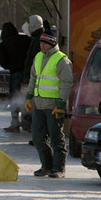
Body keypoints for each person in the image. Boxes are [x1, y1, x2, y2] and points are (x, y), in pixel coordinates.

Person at [25, 30, 73, 178]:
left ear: (52, 44)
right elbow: (33, 77)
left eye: (44, 43)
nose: (41, 46)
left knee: (56, 138)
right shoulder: (38, 57)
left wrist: (61, 104)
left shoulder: (61, 60)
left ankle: (58, 168)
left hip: (53, 106)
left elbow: (67, 82)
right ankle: (46, 165)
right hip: (38, 104)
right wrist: (29, 95)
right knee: (38, 137)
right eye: (40, 43)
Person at [0, 22, 31, 132]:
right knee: (26, 98)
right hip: (27, 74)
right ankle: (27, 124)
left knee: (14, 98)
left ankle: (15, 124)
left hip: (15, 74)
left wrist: (10, 65)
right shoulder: (25, 39)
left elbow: (3, 62)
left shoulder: (4, 44)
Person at [23, 15, 45, 133]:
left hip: (37, 80)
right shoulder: (39, 38)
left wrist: (28, 77)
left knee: (36, 109)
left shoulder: (38, 40)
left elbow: (34, 61)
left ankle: (38, 134)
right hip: (38, 79)